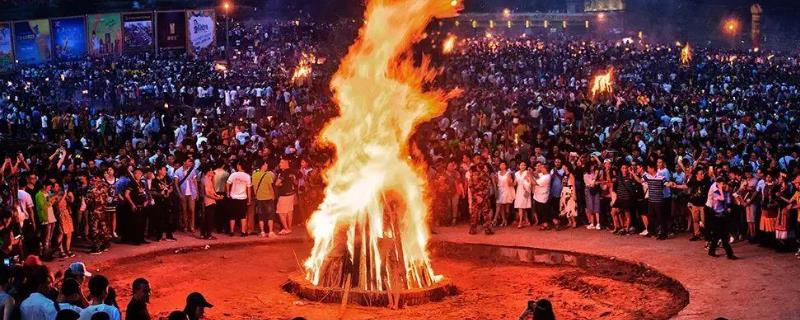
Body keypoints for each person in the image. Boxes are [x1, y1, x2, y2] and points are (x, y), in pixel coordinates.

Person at [707, 178, 738, 260]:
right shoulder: (715, 192)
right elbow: (722, 199)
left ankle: (711, 251)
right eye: (721, 183)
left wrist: (728, 208)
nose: (723, 185)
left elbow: (727, 202)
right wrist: (720, 189)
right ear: (717, 184)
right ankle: (729, 254)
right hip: (716, 216)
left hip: (723, 216)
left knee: (718, 235)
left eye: (724, 184)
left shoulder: (726, 192)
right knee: (723, 236)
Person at [251, 160, 277, 237]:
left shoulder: (254, 175)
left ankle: (262, 232)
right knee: (270, 216)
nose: (266, 166)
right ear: (262, 166)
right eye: (265, 164)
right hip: (268, 198)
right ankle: (270, 231)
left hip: (259, 198)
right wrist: (273, 196)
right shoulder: (267, 175)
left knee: (261, 216)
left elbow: (254, 187)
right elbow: (270, 188)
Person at [226, 161, 252, 237]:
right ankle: (243, 232)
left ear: (239, 166)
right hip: (243, 198)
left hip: (233, 197)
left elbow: (228, 183)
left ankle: (231, 231)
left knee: (232, 215)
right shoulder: (247, 176)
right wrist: (249, 200)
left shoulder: (233, 175)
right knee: (243, 216)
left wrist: (228, 192)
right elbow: (249, 189)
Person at [173, 158, 198, 234]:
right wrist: (179, 193)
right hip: (183, 193)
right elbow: (176, 184)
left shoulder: (192, 170)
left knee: (192, 210)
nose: (190, 163)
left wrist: (196, 192)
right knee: (184, 210)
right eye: (189, 161)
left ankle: (192, 226)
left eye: (191, 162)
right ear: (184, 162)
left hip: (191, 192)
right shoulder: (178, 171)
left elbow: (195, 181)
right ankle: (185, 226)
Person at [468, 163, 493, 235]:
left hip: (478, 197)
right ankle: (487, 230)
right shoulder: (485, 175)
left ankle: (473, 230)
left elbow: (471, 187)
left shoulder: (473, 175)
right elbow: (487, 188)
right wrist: (480, 196)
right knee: (483, 214)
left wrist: (477, 196)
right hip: (482, 197)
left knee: (476, 214)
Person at [200, 168, 222, 240]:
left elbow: (211, 191)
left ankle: (203, 234)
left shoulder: (207, 179)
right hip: (209, 201)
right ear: (208, 172)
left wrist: (216, 196)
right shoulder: (206, 180)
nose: (213, 173)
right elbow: (207, 193)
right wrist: (216, 198)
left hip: (209, 201)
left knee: (206, 218)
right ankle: (208, 235)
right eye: (212, 171)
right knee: (209, 219)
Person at [494, 162, 515, 227]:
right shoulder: (497, 173)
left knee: (507, 208)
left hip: (507, 190)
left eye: (503, 164)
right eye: (501, 164)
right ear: (499, 166)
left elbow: (510, 183)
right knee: (500, 205)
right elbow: (496, 182)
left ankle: (505, 220)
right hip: (500, 190)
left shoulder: (508, 173)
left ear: (506, 166)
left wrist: (511, 181)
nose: (502, 165)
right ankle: (500, 220)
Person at [513, 162, 532, 228]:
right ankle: (526, 221)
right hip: (519, 191)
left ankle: (521, 222)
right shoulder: (516, 173)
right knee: (521, 206)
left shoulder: (527, 172)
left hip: (525, 190)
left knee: (522, 206)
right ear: (519, 166)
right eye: (521, 165)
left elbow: (530, 182)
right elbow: (515, 183)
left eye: (524, 165)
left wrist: (527, 190)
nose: (523, 166)